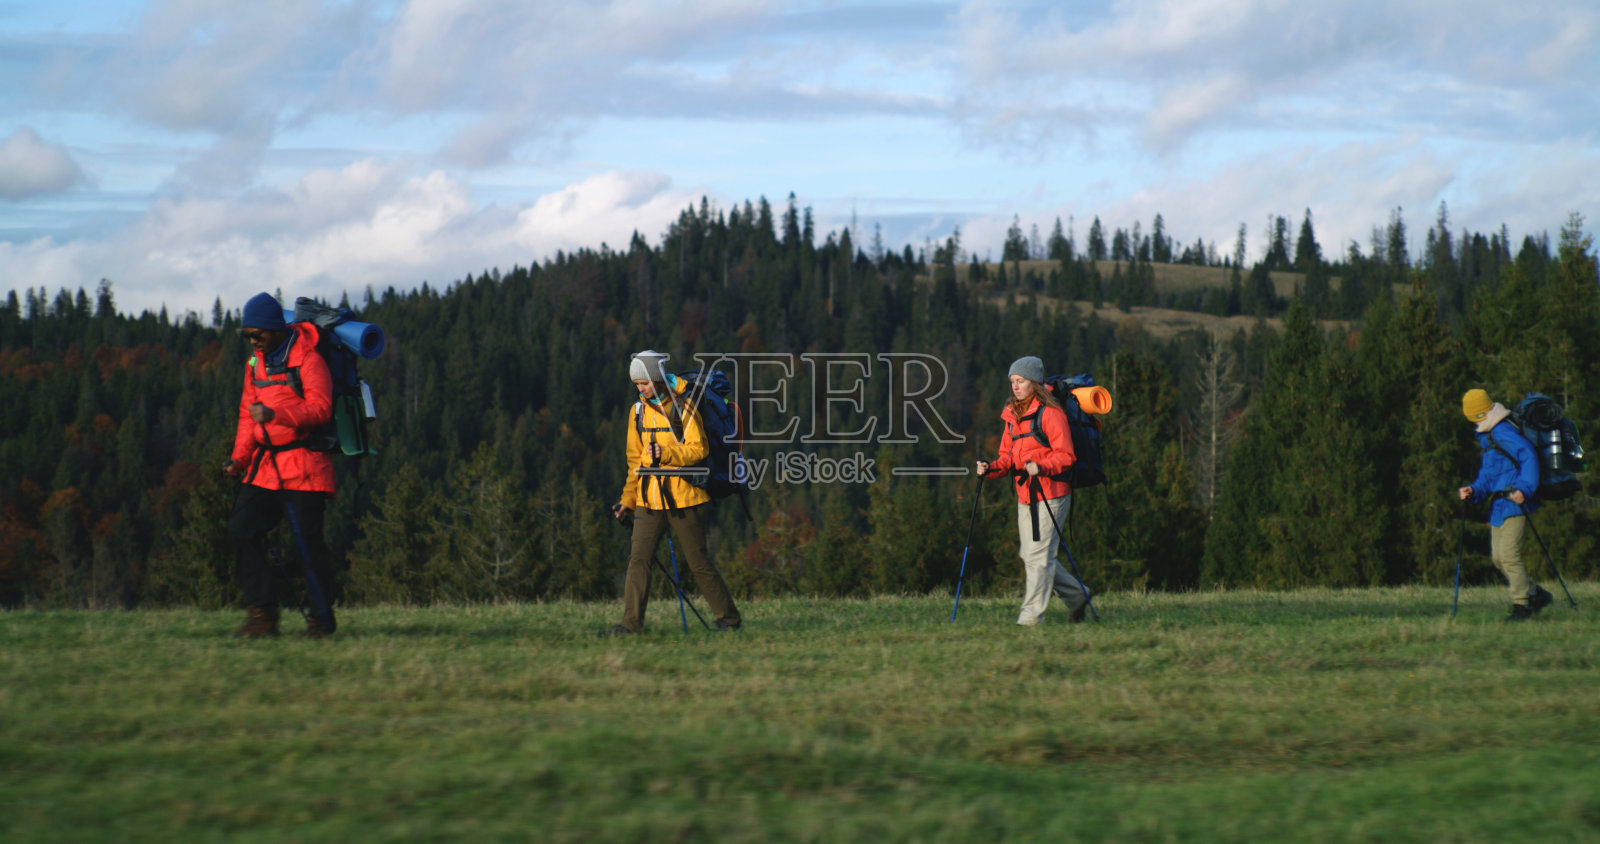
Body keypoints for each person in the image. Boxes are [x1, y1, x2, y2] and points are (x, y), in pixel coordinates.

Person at [602, 350, 742, 636]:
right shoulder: (637, 411)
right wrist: (627, 501)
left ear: (656, 377)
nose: (639, 388)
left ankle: (729, 620)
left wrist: (664, 452)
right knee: (638, 559)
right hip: (648, 500)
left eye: (644, 382)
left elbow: (699, 449)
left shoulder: (684, 405)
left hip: (686, 498)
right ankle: (630, 626)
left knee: (698, 561)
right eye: (636, 383)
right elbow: (634, 462)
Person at [223, 292, 339, 638]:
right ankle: (262, 616)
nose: (253, 341)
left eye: (257, 334)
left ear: (276, 329)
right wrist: (238, 459)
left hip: (306, 464)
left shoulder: (309, 359)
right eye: (248, 336)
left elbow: (321, 409)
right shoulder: (254, 364)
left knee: (306, 545)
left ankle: (321, 621)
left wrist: (278, 414)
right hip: (266, 467)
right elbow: (247, 415)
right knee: (242, 530)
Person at [975, 356, 1091, 626]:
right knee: (1031, 555)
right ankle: (1078, 597)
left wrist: (1041, 466)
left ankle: (1030, 617)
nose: (1015, 386)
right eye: (1013, 381)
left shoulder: (1052, 414)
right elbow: (1006, 459)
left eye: (1021, 381)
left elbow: (1067, 456)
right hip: (1026, 495)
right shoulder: (1011, 416)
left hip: (1053, 493)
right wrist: (989, 468)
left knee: (1039, 557)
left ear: (1034, 382)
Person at [1458, 388, 1554, 622]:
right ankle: (1535, 594)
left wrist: (1524, 489)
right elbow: (1488, 477)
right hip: (1499, 505)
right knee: (1499, 559)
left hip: (1514, 502)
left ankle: (1522, 606)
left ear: (1477, 415)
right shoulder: (1490, 437)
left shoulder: (1501, 431)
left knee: (1509, 556)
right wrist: (1474, 491)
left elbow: (1528, 456)